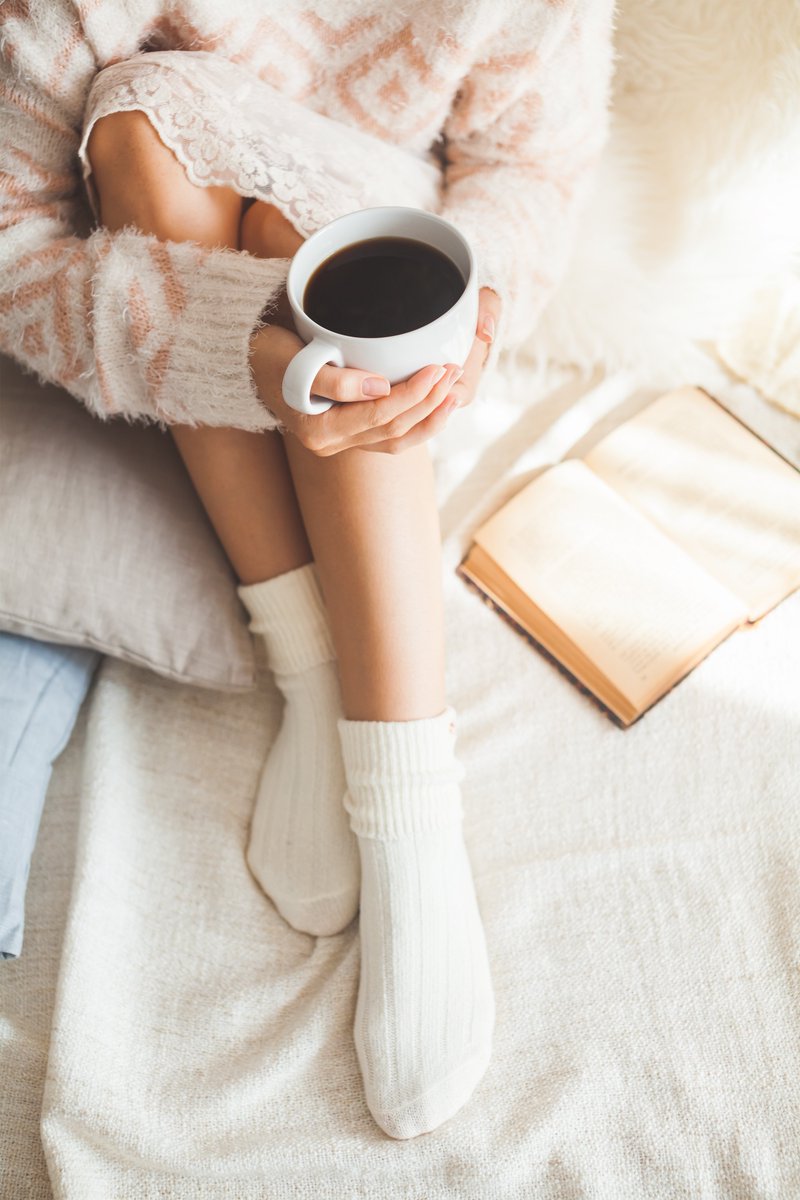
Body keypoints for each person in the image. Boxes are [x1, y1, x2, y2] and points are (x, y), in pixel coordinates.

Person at [0, 0, 614, 1139]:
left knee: (332, 243)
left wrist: (477, 310)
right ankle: (314, 670)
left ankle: (408, 805)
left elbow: (531, 171)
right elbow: (10, 238)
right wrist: (220, 341)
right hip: (175, 248)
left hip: (379, 241)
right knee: (144, 113)